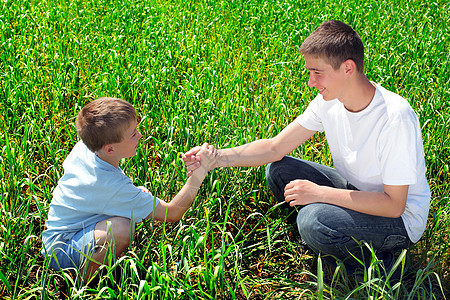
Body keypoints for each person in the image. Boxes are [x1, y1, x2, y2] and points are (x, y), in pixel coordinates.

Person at [183, 20, 430, 276]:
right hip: (357, 192)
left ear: (348, 68)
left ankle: (380, 265)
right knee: (278, 169)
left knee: (312, 220)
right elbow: (274, 147)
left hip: (398, 223)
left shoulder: (394, 117)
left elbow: (393, 206)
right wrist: (215, 158)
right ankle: (328, 236)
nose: (311, 82)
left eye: (317, 72)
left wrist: (320, 193)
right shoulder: (329, 102)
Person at [42, 97, 217, 282]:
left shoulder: (87, 147)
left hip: (62, 235)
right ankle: (82, 282)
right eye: (133, 134)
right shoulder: (110, 185)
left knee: (136, 198)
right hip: (61, 251)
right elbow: (172, 213)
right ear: (110, 149)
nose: (140, 136)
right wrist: (199, 173)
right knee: (121, 229)